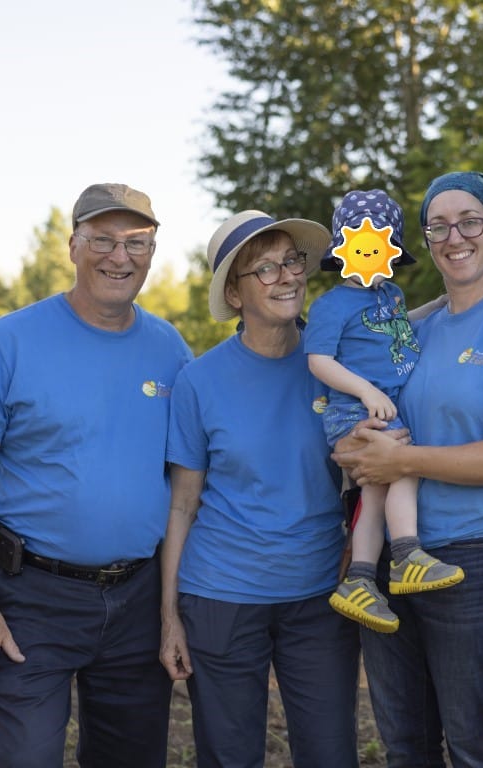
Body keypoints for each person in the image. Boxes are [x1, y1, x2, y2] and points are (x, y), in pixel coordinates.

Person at [0, 182, 193, 767]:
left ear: (153, 252)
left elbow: (187, 485)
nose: (119, 256)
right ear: (73, 246)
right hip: (33, 600)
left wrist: (170, 610)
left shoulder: (170, 350)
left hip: (138, 598)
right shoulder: (7, 342)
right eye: (102, 239)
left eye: (136, 242)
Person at [333, 172, 483, 767]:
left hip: (473, 561)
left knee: (475, 744)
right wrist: (353, 441)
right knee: (405, 746)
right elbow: (363, 409)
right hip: (388, 563)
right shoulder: (410, 330)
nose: (454, 236)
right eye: (438, 225)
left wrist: (400, 459)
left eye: (470, 221)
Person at [159, 210, 361, 768]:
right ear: (234, 291)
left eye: (292, 261)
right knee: (230, 757)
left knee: (331, 754)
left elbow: (371, 466)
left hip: (319, 595)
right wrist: (169, 616)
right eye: (265, 269)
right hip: (221, 597)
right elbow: (182, 505)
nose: (287, 277)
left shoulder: (336, 365)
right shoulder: (200, 381)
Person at [307, 189, 465, 634]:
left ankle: (358, 579)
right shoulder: (331, 305)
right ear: (344, 250)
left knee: (376, 492)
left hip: (379, 409)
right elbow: (318, 359)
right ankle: (406, 555)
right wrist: (365, 392)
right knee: (404, 466)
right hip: (353, 411)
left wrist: (440, 304)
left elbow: (397, 326)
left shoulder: (389, 294)